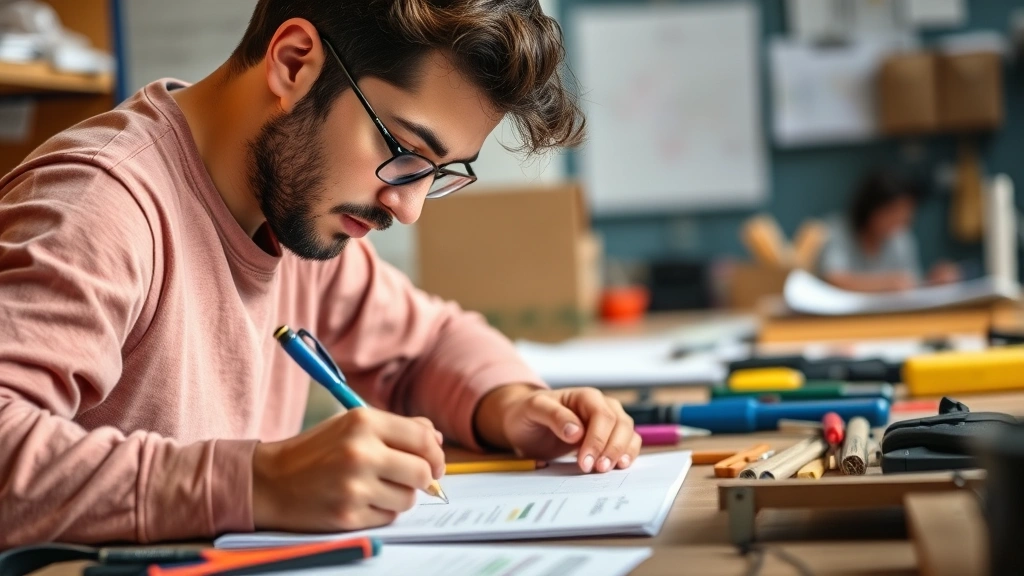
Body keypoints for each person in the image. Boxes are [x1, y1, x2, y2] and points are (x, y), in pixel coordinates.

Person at [0, 0, 642, 547]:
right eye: (406, 153)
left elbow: (428, 343)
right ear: (294, 62)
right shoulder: (100, 208)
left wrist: (512, 404)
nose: (408, 207)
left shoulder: (288, 216)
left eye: (440, 174)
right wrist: (258, 482)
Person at [818, 171, 960, 293]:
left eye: (904, 218)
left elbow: (910, 284)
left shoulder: (900, 237)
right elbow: (833, 279)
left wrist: (932, 281)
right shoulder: (834, 230)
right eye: (892, 213)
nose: (897, 223)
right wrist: (885, 284)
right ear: (871, 209)